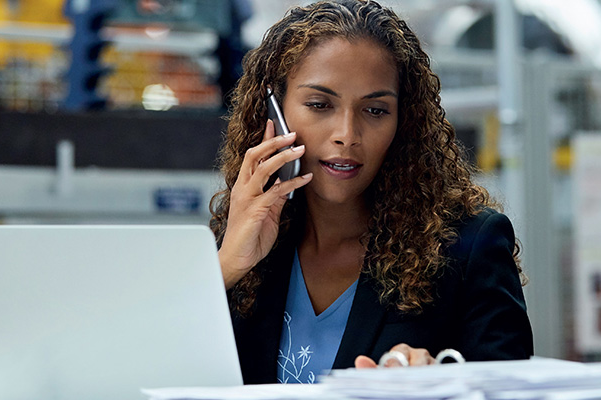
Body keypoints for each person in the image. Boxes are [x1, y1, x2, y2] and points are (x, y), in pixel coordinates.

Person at [208, 0, 534, 384]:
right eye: (319, 104)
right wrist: (227, 266)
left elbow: (511, 390)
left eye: (375, 110)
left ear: (404, 120)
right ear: (274, 114)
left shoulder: (468, 248)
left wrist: (439, 383)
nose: (347, 134)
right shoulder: (235, 246)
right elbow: (150, 372)